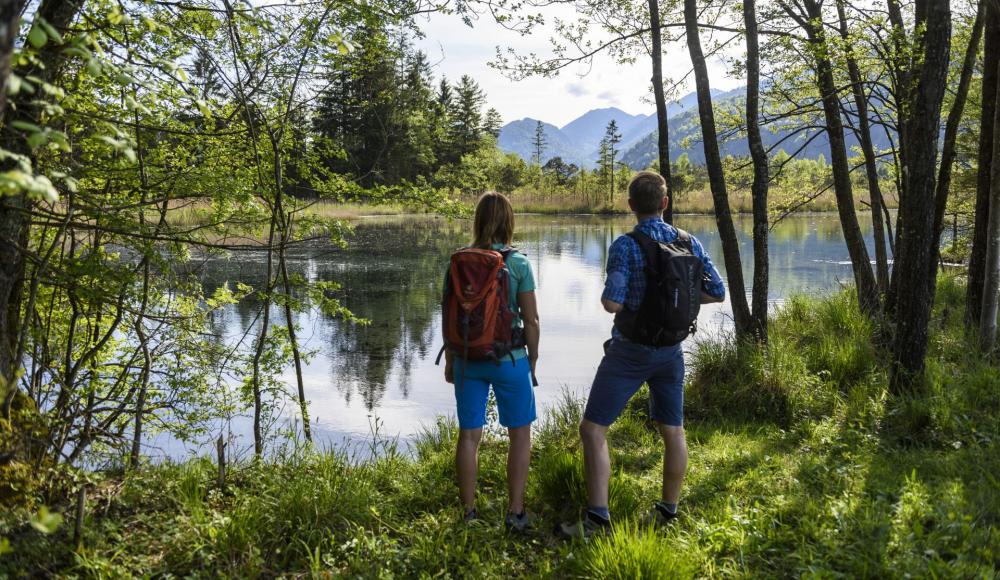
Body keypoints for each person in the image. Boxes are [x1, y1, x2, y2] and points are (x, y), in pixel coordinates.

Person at [559, 171, 725, 537]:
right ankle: (668, 512)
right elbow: (718, 290)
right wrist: (682, 303)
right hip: (672, 350)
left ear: (631, 205)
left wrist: (623, 296)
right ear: (665, 203)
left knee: (592, 429)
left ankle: (598, 520)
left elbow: (612, 303)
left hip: (630, 353)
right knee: (673, 430)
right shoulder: (690, 242)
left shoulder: (625, 245)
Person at [443, 192, 540, 532]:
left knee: (469, 436)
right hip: (509, 359)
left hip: (469, 358)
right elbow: (531, 321)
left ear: (478, 221)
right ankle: (515, 513)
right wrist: (533, 360)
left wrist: (452, 359)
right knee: (520, 435)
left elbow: (448, 314)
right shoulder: (519, 264)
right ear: (509, 222)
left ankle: (468, 513)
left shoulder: (458, 261)